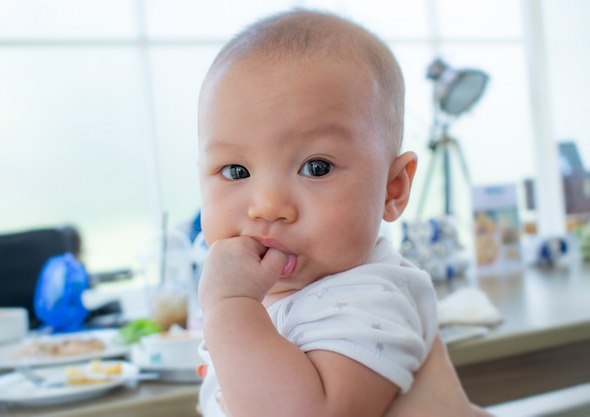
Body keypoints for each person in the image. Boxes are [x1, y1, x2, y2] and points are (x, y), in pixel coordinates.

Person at [195, 8, 492, 417]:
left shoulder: (369, 295)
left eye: (316, 167)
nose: (267, 206)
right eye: (235, 171)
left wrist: (229, 307)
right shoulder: (265, 304)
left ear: (393, 188)